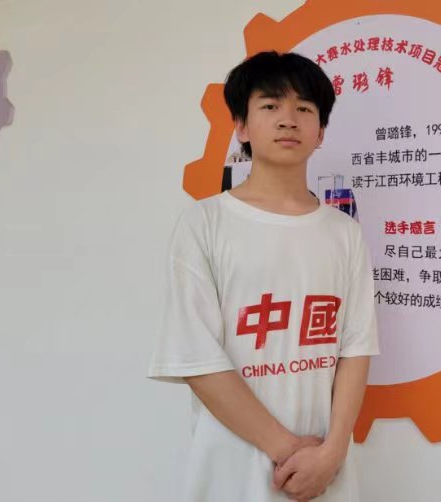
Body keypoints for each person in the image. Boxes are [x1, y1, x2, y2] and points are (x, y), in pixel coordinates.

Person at [148, 51, 380, 501]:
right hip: (233, 472)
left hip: (326, 470)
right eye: (271, 105)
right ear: (241, 126)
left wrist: (332, 453)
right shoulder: (204, 223)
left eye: (304, 108)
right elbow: (197, 359)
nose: (288, 120)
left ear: (320, 132)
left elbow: (356, 349)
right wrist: (289, 451)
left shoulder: (344, 232)